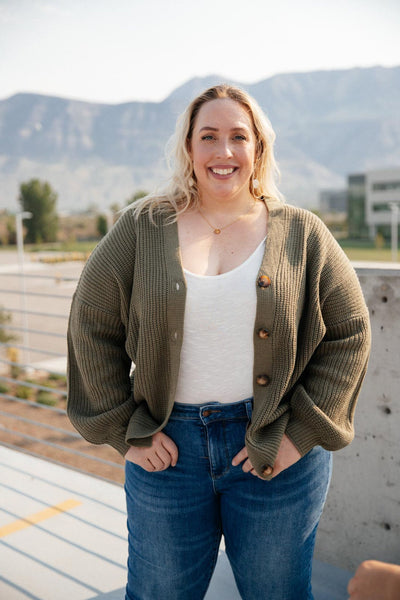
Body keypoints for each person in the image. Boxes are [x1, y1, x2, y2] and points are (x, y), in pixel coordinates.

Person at [67, 84, 371, 600]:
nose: (223, 151)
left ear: (258, 149)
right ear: (189, 147)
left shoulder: (303, 232)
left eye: (238, 137)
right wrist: (124, 430)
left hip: (275, 448)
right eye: (208, 136)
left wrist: (300, 433)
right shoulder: (142, 227)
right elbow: (91, 322)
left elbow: (350, 332)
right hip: (167, 450)